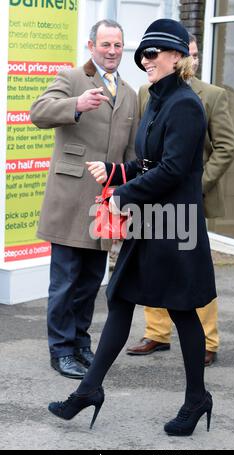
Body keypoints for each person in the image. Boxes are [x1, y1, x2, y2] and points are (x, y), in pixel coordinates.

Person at [48, 19, 216, 437]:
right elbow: (149, 163)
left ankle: (197, 398)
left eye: (154, 52)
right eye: (142, 53)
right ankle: (89, 391)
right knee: (120, 299)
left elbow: (175, 170)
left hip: (174, 226)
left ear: (177, 57)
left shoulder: (185, 104)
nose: (146, 59)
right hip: (149, 223)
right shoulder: (156, 99)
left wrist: (122, 195)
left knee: (181, 312)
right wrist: (115, 171)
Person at [30, 20, 138, 380]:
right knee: (64, 282)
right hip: (70, 199)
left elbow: (131, 152)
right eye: (105, 44)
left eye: (118, 46)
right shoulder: (72, 78)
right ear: (91, 45)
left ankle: (80, 343)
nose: (111, 51)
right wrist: (75, 104)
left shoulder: (131, 94)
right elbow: (38, 113)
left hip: (104, 206)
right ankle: (60, 350)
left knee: (92, 281)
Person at [126, 34, 234, 366]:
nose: (191, 60)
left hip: (189, 198)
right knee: (154, 262)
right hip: (156, 196)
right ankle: (157, 334)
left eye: (194, 54)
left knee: (192, 270)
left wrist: (197, 185)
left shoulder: (212, 96)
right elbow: (146, 146)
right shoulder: (147, 91)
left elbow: (226, 147)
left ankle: (207, 340)